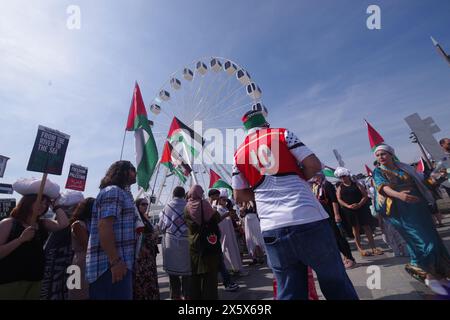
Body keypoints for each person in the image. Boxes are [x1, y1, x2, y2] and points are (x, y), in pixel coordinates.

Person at [232, 109, 358, 300]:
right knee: (335, 283)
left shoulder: (238, 153)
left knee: (289, 291)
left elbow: (239, 195)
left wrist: (261, 192)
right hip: (307, 218)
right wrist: (298, 178)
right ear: (265, 122)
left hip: (272, 227)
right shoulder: (282, 133)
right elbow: (314, 165)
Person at [373, 144, 450, 295]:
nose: (381, 157)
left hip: (419, 208)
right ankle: (416, 267)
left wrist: (439, 174)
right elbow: (383, 188)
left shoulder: (405, 168)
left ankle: (437, 276)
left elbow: (424, 183)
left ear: (391, 154)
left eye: (383, 154)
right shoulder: (378, 171)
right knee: (424, 243)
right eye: (378, 155)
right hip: (400, 212)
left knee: (434, 241)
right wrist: (399, 195)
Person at [0, 178, 69, 300]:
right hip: (10, 281)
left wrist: (56, 205)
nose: (43, 206)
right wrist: (20, 240)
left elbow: (63, 224)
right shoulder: (9, 223)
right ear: (28, 202)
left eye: (45, 203)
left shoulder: (43, 223)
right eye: (40, 202)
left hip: (36, 280)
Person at [86, 160, 138, 300]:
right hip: (109, 268)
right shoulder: (113, 192)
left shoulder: (121, 193)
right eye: (133, 170)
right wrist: (115, 261)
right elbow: (105, 227)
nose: (136, 174)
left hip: (120, 264)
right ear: (124, 172)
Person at [41, 190, 84, 300]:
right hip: (57, 265)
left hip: (72, 265)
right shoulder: (58, 224)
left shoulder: (79, 224)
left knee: (73, 292)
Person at [335, 167, 383, 257]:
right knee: (355, 229)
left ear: (348, 176)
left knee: (367, 228)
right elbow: (339, 199)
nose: (343, 178)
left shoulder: (357, 184)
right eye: (340, 177)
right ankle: (360, 249)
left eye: (344, 176)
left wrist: (360, 204)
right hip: (349, 211)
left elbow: (365, 195)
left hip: (361, 209)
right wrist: (348, 206)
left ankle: (373, 248)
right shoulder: (340, 187)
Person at [185, 185, 222, 300]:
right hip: (208, 244)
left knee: (195, 275)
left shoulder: (186, 207)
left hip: (193, 245)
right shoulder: (204, 204)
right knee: (210, 276)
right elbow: (216, 218)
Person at [312, 173, 356, 268]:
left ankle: (350, 258)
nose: (314, 177)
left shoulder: (327, 185)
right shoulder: (317, 186)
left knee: (339, 237)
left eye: (315, 175)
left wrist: (336, 214)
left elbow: (334, 200)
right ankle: (345, 257)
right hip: (325, 216)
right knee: (334, 238)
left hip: (332, 215)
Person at [158, 186, 190, 300]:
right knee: (187, 272)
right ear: (183, 195)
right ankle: (187, 295)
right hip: (186, 241)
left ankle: (175, 295)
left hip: (171, 241)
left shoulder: (167, 207)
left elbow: (161, 225)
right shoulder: (188, 206)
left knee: (173, 273)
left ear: (173, 194)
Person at [207, 189, 239, 292]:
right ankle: (226, 282)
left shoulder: (209, 205)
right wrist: (226, 214)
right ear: (213, 196)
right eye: (218, 196)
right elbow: (216, 219)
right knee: (219, 258)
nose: (219, 198)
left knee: (218, 259)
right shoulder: (208, 206)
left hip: (213, 235)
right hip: (212, 236)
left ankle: (223, 280)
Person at [68, 197, 95, 300]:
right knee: (77, 292)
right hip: (80, 261)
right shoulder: (78, 224)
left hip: (89, 261)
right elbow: (86, 244)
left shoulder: (91, 223)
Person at [216, 189, 247, 276]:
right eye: (223, 199)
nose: (225, 201)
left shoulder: (225, 208)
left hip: (230, 233)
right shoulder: (216, 209)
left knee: (233, 249)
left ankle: (235, 268)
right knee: (226, 250)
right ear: (219, 199)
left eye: (226, 200)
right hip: (223, 234)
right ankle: (229, 269)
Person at [134, 198, 160, 300]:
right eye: (143, 204)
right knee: (145, 281)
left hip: (150, 256)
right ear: (137, 206)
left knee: (150, 280)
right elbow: (139, 236)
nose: (145, 206)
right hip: (143, 257)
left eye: (146, 204)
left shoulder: (144, 219)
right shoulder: (137, 220)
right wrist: (153, 236)